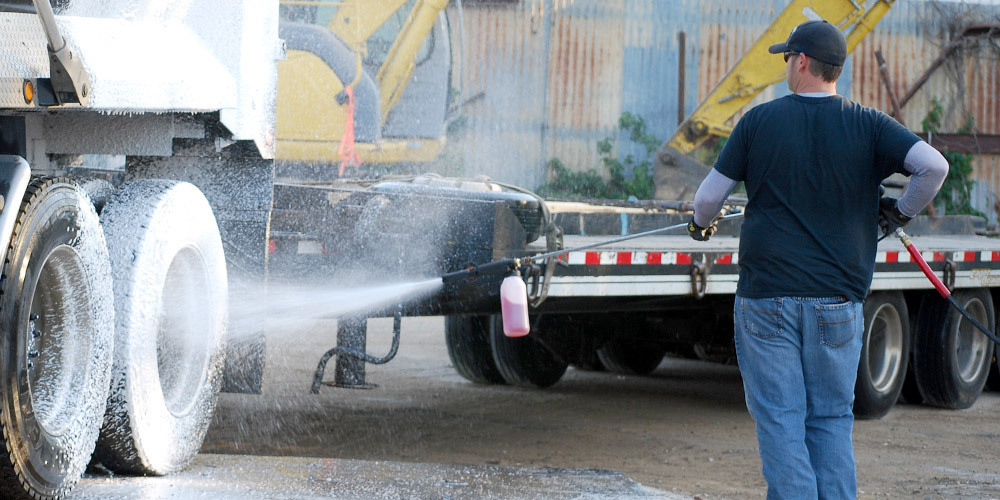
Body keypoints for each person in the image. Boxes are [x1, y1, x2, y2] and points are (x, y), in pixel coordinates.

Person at [686, 19, 948, 499]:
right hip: (838, 306)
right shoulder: (868, 124)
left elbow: (707, 200)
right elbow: (934, 167)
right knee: (829, 421)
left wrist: (701, 225)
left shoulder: (758, 122)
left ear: (801, 62)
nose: (787, 65)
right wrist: (897, 214)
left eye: (788, 57)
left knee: (782, 422)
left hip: (767, 303)